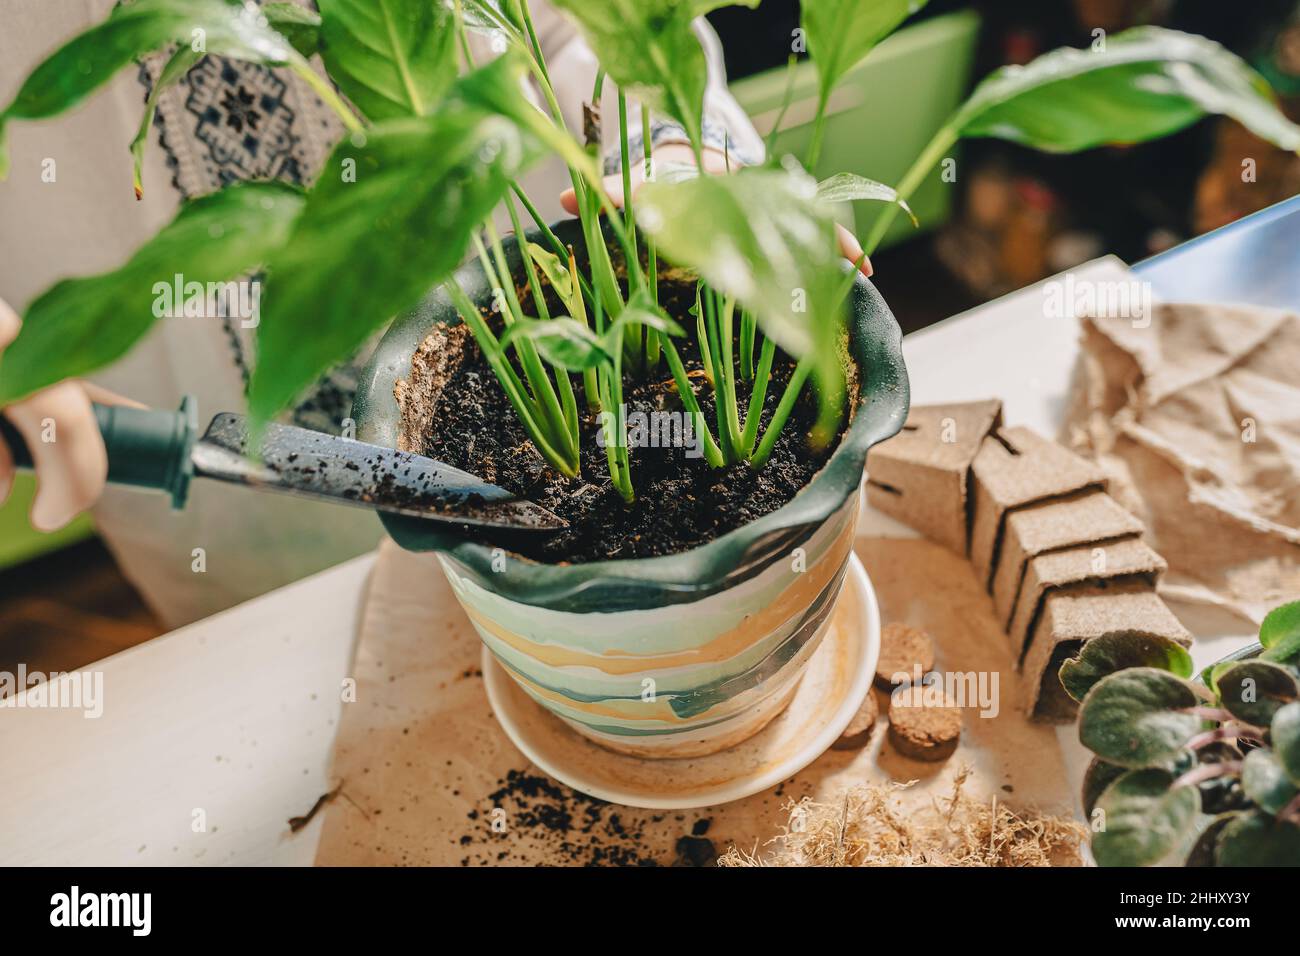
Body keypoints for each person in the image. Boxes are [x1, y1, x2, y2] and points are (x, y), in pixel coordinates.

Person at [0, 0, 870, 627]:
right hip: (201, 489)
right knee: (274, 679)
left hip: (531, 273)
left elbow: (594, 27)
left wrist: (679, 157)